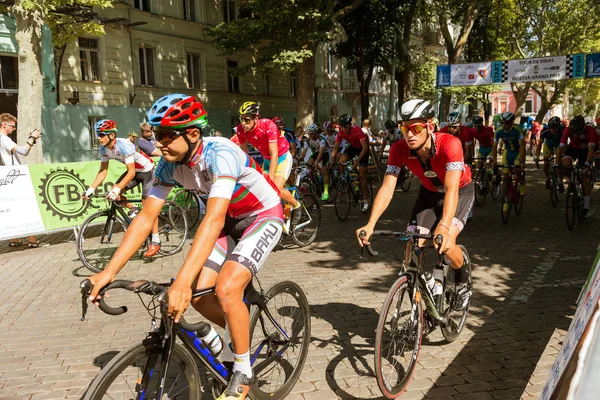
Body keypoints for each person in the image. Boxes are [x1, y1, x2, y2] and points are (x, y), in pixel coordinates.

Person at [87, 94, 282, 400]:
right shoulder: (167, 165)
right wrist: (107, 272)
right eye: (156, 133)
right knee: (201, 295)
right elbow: (146, 218)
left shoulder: (221, 152)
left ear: (193, 134)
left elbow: (214, 218)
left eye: (165, 135)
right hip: (228, 220)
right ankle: (234, 330)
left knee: (227, 288)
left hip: (261, 216)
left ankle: (243, 370)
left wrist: (180, 282)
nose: (157, 142)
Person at [357, 99, 474, 310]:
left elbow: (452, 190)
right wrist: (370, 224)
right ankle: (422, 295)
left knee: (445, 244)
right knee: (412, 245)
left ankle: (463, 280)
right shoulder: (399, 149)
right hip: (429, 193)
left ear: (430, 126)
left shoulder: (450, 144)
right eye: (404, 129)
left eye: (416, 128)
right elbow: (387, 188)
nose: (409, 134)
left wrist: (445, 226)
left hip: (459, 191)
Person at [82, 119, 161, 257]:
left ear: (111, 135)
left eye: (101, 134)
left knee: (148, 207)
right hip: (135, 172)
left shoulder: (124, 145)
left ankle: (156, 240)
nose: (98, 138)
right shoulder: (104, 148)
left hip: (146, 171)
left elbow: (131, 172)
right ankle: (134, 209)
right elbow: (103, 171)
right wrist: (91, 189)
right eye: (97, 134)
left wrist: (117, 188)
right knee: (116, 195)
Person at [235, 101, 301, 225]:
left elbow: (274, 154)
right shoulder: (240, 130)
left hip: (281, 156)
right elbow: (244, 156)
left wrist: (270, 178)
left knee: (275, 188)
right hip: (266, 159)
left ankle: (296, 205)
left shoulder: (267, 125)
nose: (243, 123)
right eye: (241, 119)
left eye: (247, 120)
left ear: (256, 118)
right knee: (259, 189)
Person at [0, 113, 46, 248]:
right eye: (12, 126)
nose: (14, 129)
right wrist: (32, 138)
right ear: (4, 124)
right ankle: (31, 239)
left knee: (15, 208)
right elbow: (23, 151)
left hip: (8, 177)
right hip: (15, 176)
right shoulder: (4, 139)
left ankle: (14, 238)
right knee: (26, 206)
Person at [555, 115, 596, 218]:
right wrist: (556, 163)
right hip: (572, 149)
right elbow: (560, 149)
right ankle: (572, 182)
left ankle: (586, 207)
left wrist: (587, 163)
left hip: (585, 151)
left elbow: (591, 150)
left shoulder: (590, 130)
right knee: (566, 165)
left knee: (585, 177)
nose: (575, 134)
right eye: (574, 132)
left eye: (578, 133)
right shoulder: (567, 130)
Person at [330, 114, 371, 212]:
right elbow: (336, 147)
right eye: (342, 126)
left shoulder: (357, 130)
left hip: (363, 149)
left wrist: (357, 161)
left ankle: (365, 200)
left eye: (346, 126)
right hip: (353, 147)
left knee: (361, 175)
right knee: (341, 160)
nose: (344, 129)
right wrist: (331, 160)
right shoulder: (341, 132)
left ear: (350, 124)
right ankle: (344, 179)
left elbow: (365, 148)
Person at [490, 111, 526, 194]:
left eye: (507, 123)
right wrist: (494, 160)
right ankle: (506, 197)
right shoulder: (498, 131)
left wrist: (522, 162)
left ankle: (522, 183)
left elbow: (522, 146)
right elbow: (494, 146)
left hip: (518, 151)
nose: (504, 125)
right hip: (508, 151)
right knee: (505, 175)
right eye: (502, 123)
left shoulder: (518, 130)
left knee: (517, 169)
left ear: (512, 123)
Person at [534, 116, 563, 189]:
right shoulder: (545, 130)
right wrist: (536, 156)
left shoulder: (563, 129)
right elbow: (540, 144)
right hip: (548, 144)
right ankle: (548, 178)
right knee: (546, 163)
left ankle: (560, 180)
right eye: (550, 128)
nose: (552, 130)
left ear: (558, 127)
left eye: (554, 128)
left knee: (559, 162)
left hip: (558, 144)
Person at [305, 123, 332, 201]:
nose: (310, 136)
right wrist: (299, 160)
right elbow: (303, 152)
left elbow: (321, 152)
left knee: (324, 171)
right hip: (318, 151)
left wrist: (316, 162)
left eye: (312, 134)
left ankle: (326, 192)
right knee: (308, 164)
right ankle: (316, 184)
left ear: (316, 133)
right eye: (309, 134)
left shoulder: (321, 139)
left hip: (326, 153)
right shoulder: (308, 140)